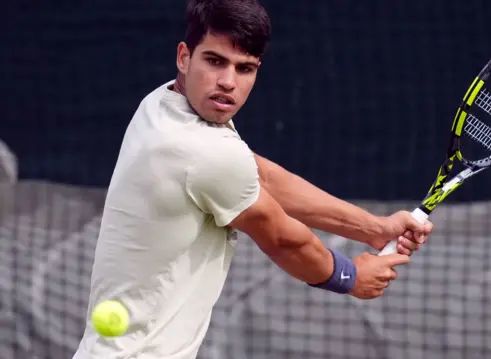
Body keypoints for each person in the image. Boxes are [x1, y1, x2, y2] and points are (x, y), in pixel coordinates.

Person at [73, 0, 433, 358]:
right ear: (184, 57)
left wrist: (372, 228)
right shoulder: (201, 151)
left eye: (245, 68)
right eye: (215, 61)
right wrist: (351, 276)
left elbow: (258, 174)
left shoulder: (164, 104)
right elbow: (283, 238)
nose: (228, 82)